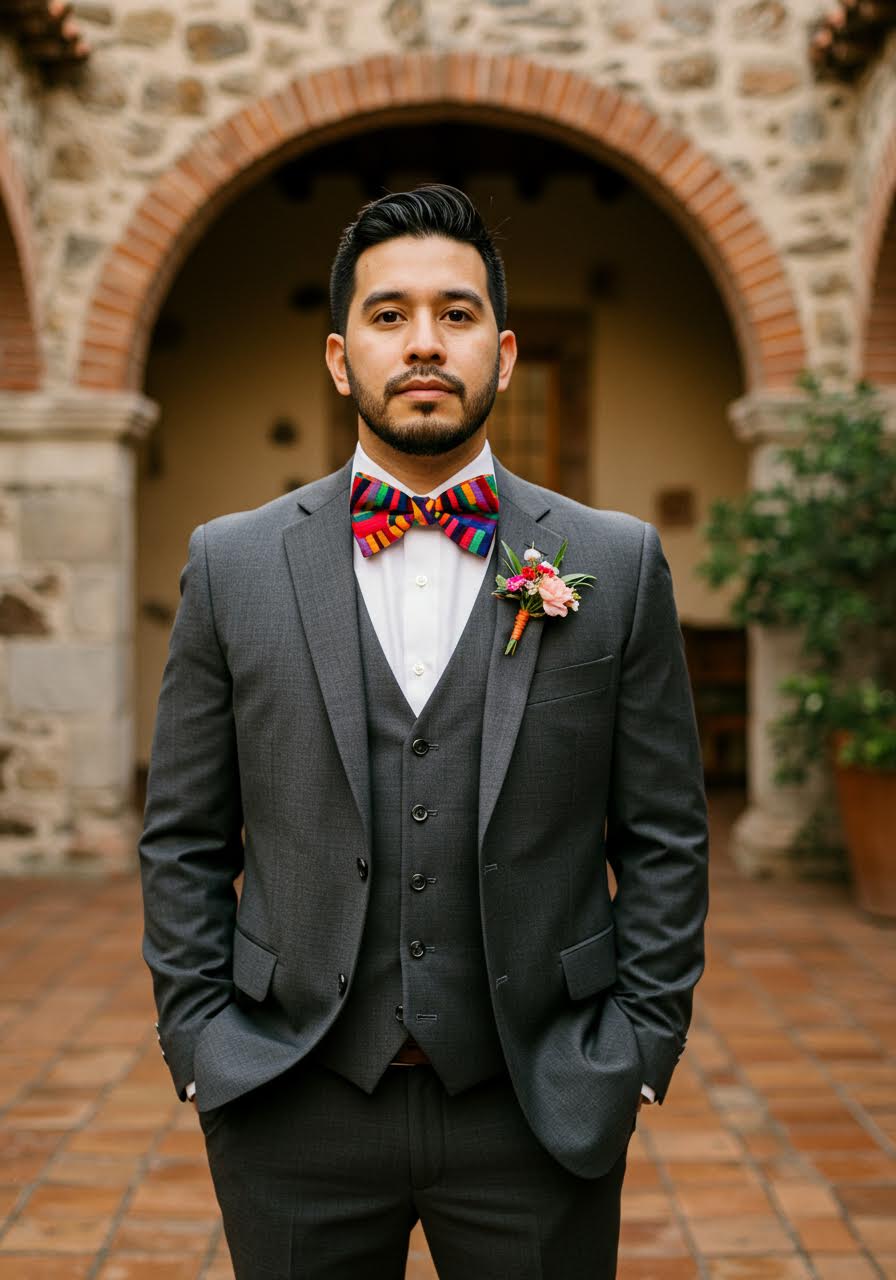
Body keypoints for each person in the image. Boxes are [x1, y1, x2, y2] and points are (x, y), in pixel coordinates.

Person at [139, 183, 709, 1280]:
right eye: (388, 314)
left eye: (453, 315)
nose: (422, 343)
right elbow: (183, 834)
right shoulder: (231, 562)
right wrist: (200, 1041)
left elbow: (666, 830)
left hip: (537, 1094)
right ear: (339, 355)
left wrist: (636, 1047)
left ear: (499, 350)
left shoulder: (618, 561)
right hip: (289, 1094)